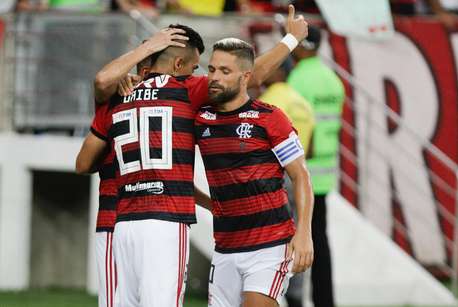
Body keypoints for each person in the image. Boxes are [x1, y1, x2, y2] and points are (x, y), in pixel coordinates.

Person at [76, 7, 309, 306]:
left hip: (120, 222)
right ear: (177, 64)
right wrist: (291, 39)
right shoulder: (184, 90)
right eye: (198, 67)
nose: (203, 76)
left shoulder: (118, 93)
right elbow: (249, 76)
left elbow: (83, 161)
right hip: (165, 221)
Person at [195, 38, 314, 307]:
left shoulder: (270, 118)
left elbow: (301, 175)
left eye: (225, 72)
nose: (214, 77)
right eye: (212, 69)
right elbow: (176, 171)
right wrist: (212, 205)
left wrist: (304, 233)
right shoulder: (200, 118)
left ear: (246, 76)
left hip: (269, 245)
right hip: (224, 245)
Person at [76, 56, 152, 307]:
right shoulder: (181, 101)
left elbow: (84, 164)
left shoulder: (116, 101)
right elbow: (102, 81)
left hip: (124, 219)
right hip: (154, 221)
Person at [287, 25, 345, 307]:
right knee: (320, 241)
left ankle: (293, 299)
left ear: (303, 46)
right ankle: (325, 301)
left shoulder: (297, 79)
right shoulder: (333, 80)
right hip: (325, 175)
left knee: (295, 241)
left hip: (303, 176)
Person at [259, 64, 315, 307]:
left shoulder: (269, 102)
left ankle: (269, 292)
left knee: (269, 242)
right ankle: (296, 296)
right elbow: (309, 149)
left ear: (279, 72)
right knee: (297, 239)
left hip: (276, 180)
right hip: (299, 178)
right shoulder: (302, 102)